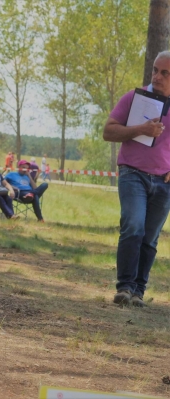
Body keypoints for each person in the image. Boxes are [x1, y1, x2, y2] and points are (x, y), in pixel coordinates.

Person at [103, 50, 170, 307]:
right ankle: (125, 288)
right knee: (133, 226)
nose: (157, 76)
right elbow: (108, 131)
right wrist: (141, 129)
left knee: (150, 237)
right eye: (155, 70)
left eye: (165, 72)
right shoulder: (135, 98)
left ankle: (139, 292)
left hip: (164, 182)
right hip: (133, 173)